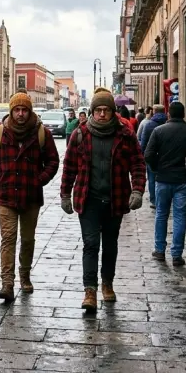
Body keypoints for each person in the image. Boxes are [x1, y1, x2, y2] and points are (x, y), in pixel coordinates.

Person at [60, 88, 145, 312]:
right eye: (98, 110)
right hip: (88, 199)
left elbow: (138, 163)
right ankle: (90, 290)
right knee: (90, 244)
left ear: (113, 111)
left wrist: (137, 190)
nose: (102, 114)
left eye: (106, 110)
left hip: (115, 198)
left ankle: (107, 284)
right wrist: (65, 194)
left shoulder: (125, 134)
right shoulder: (81, 134)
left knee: (109, 245)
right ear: (92, 111)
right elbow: (69, 167)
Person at [0, 90, 59, 302]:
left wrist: (39, 180)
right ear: (11, 111)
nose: (20, 114)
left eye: (24, 110)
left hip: (31, 196)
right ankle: (7, 283)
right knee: (8, 239)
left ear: (30, 111)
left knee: (27, 239)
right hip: (6, 197)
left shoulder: (41, 133)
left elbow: (53, 161)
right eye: (17, 109)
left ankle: (24, 276)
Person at [144, 102, 186, 266]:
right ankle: (177, 254)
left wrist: (156, 168)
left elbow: (148, 154)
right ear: (183, 114)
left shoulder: (159, 131)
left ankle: (159, 250)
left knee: (161, 214)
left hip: (164, 179)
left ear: (169, 114)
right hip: (183, 180)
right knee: (180, 217)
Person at [140, 104, 167, 208]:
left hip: (152, 155)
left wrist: (143, 154)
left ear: (153, 111)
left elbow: (144, 141)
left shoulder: (149, 124)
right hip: (165, 156)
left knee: (151, 179)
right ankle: (163, 198)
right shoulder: (167, 122)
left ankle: (154, 200)